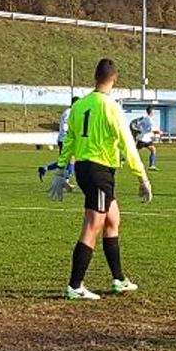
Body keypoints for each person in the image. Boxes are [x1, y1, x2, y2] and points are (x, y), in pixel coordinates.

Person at [48, 59, 152, 301]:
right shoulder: (111, 107)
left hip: (85, 169)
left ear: (95, 77)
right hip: (100, 171)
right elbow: (128, 144)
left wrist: (61, 169)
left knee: (113, 220)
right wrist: (142, 177)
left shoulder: (80, 105)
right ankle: (75, 285)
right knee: (92, 225)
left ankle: (118, 279)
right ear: (114, 79)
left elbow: (70, 140)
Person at [38, 97, 78, 183]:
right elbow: (64, 127)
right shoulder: (69, 112)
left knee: (66, 161)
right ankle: (66, 180)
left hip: (66, 139)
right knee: (70, 159)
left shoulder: (72, 112)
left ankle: (45, 168)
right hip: (65, 139)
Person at [134, 105, 161, 171]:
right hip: (143, 139)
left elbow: (138, 126)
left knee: (153, 149)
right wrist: (159, 132)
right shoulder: (149, 119)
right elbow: (153, 129)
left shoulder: (145, 118)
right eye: (154, 111)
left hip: (146, 138)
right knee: (134, 151)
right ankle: (123, 160)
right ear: (151, 111)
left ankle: (152, 165)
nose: (154, 112)